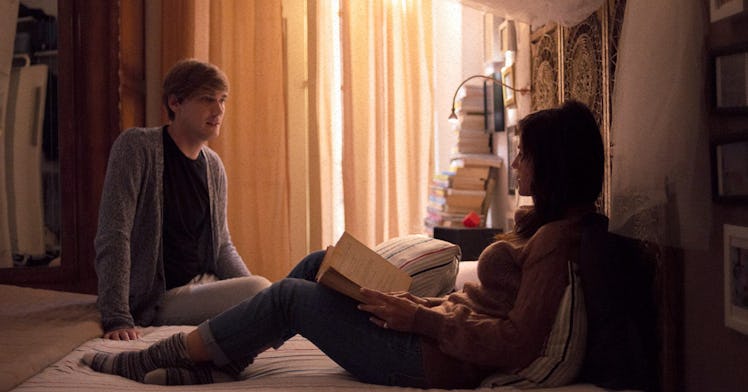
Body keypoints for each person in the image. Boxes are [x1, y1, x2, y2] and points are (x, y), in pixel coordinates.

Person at [84, 99, 605, 389]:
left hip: (431, 359)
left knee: (289, 298)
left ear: (554, 164)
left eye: (525, 155)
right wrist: (416, 304)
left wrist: (419, 319)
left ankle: (164, 357)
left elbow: (516, 342)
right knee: (319, 263)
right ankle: (223, 362)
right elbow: (485, 311)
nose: (516, 165)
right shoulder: (550, 229)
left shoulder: (558, 242)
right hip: (429, 337)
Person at [94, 59, 271, 341]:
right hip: (159, 297)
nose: (219, 110)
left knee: (276, 289)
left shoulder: (213, 166)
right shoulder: (137, 148)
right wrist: (117, 316)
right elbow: (114, 234)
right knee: (260, 292)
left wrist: (261, 296)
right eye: (206, 99)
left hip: (205, 288)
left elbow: (223, 246)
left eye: (222, 100)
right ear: (175, 102)